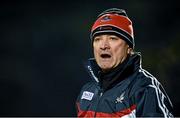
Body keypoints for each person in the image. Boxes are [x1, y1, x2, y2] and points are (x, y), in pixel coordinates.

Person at [76, 8, 174, 117]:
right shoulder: (87, 91)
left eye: (113, 38)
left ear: (129, 48)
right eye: (97, 39)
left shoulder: (144, 88)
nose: (103, 46)